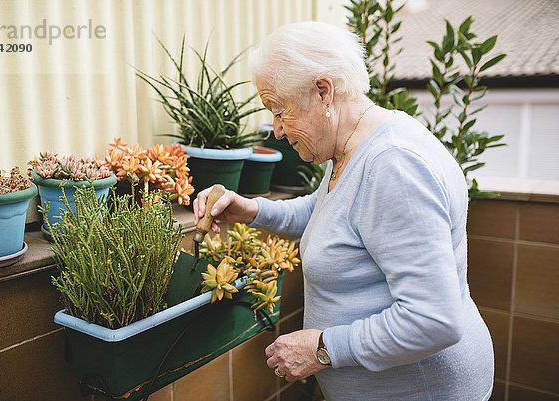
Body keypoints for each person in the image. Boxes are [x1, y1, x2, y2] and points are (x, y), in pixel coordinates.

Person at [193, 21, 494, 401]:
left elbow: (433, 320)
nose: (277, 130)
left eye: (280, 111)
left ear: (323, 92)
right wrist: (250, 210)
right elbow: (328, 214)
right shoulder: (353, 147)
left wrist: (323, 348)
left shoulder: (393, 166)